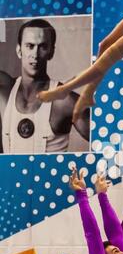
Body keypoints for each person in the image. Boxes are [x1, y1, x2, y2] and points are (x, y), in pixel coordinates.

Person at [0, 18, 89, 153]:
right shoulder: (5, 89)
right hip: (10, 174)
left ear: (51, 52)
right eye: (30, 46)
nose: (35, 55)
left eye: (42, 47)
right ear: (19, 50)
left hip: (49, 174)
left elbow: (110, 140)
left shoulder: (65, 101)